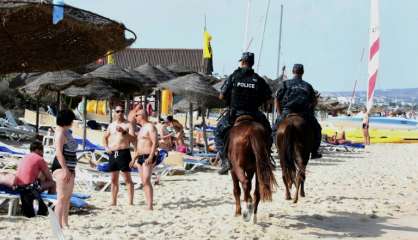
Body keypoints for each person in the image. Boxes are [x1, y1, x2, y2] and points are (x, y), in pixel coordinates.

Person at [215, 52, 273, 175]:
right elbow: (269, 98)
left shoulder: (233, 77)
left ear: (242, 62)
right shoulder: (258, 79)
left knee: (218, 132)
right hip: (254, 114)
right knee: (268, 132)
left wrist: (229, 99)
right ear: (252, 63)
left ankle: (225, 161)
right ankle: (267, 157)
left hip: (235, 113)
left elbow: (221, 95)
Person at [274, 64, 322, 159]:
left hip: (287, 112)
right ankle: (314, 151)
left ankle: (277, 147)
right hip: (303, 113)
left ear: (293, 72)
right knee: (317, 129)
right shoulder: (307, 86)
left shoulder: (285, 84)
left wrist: (279, 114)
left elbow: (277, 99)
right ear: (302, 72)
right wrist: (310, 109)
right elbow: (314, 101)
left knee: (274, 129)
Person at [103, 104, 136, 206]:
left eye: (121, 111)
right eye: (117, 111)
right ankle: (113, 202)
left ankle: (130, 202)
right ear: (114, 113)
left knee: (127, 178)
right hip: (113, 153)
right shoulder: (111, 125)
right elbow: (104, 138)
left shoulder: (128, 124)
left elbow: (133, 139)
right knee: (113, 179)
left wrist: (124, 132)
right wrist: (106, 148)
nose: (120, 113)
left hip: (123, 152)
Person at [50, 109, 77, 228]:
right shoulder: (60, 132)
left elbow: (72, 150)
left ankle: (65, 223)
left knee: (68, 197)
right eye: (71, 119)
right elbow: (59, 153)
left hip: (70, 167)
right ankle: (57, 225)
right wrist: (65, 169)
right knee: (61, 197)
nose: (73, 121)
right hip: (62, 167)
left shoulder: (67, 132)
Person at [130, 109, 158, 210]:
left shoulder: (150, 127)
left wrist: (151, 156)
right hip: (140, 157)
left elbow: (155, 142)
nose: (135, 117)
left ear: (142, 116)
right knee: (143, 181)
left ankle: (150, 206)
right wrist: (134, 159)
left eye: (136, 115)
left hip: (147, 156)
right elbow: (139, 146)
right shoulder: (141, 129)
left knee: (146, 180)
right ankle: (148, 204)